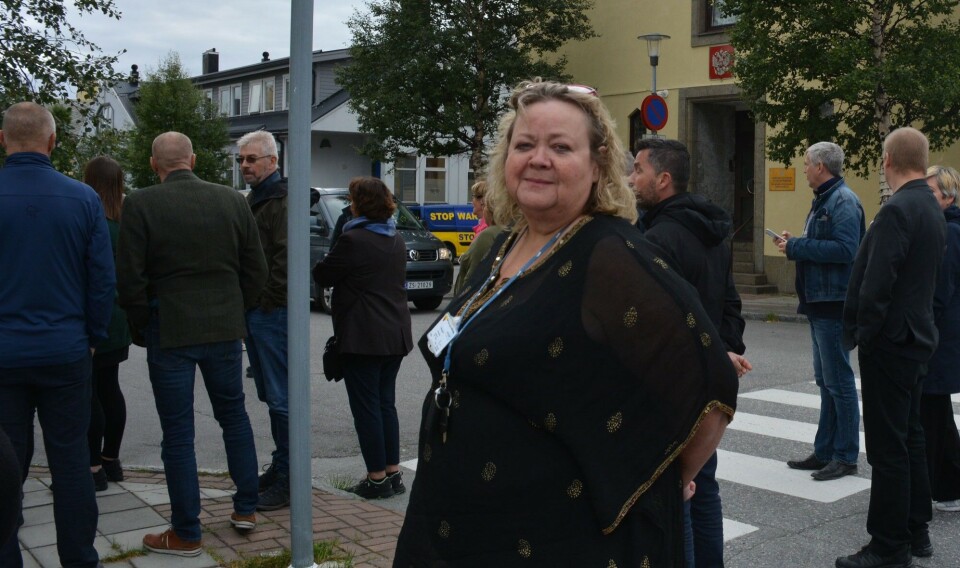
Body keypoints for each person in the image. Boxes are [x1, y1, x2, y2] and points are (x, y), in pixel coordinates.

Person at [393, 79, 739, 565]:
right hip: (458, 519)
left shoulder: (611, 253)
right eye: (525, 145)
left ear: (597, 166)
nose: (539, 159)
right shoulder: (506, 244)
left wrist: (659, 482)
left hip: (550, 537)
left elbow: (710, 382)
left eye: (560, 147)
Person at [117, 132, 268, 556]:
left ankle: (186, 531)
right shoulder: (233, 201)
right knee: (234, 417)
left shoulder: (141, 204)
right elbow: (256, 268)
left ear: (154, 164)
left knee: (178, 432)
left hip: (170, 328)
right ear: (194, 160)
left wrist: (143, 324)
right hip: (224, 327)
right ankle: (246, 507)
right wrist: (236, 309)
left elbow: (129, 277)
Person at [0, 101, 114, 568]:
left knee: (6, 468)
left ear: (3, 140)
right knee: (71, 463)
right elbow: (102, 280)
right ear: (52, 141)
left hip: (4, 356)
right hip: (65, 351)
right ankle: (80, 560)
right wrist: (93, 336)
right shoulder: (83, 199)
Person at [631, 137, 751, 568]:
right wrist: (723, 354)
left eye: (638, 170)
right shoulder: (712, 230)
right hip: (706, 380)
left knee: (675, 492)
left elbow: (660, 322)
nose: (631, 179)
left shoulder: (656, 239)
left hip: (670, 384)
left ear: (663, 179)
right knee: (703, 485)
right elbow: (730, 304)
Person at [838, 127, 945, 568]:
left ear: (887, 161)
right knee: (911, 437)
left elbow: (876, 283)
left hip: (892, 343)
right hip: (917, 338)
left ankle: (888, 545)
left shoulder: (898, 209)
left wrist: (866, 334)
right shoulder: (931, 205)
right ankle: (916, 530)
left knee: (888, 448)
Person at [313, 176, 414, 499]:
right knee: (385, 404)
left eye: (352, 199)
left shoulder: (354, 239)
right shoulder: (395, 237)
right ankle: (393, 474)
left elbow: (323, 274)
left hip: (363, 336)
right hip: (395, 333)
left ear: (359, 203)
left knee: (367, 408)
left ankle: (376, 479)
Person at [777, 142, 865, 482]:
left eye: (806, 163)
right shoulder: (826, 199)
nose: (803, 169)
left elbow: (846, 249)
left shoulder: (842, 201)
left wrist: (797, 246)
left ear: (820, 167)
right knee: (827, 381)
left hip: (833, 303)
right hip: (820, 302)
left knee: (838, 382)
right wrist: (794, 242)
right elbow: (827, 243)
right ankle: (826, 451)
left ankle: (845, 456)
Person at [236, 130, 291, 511]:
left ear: (273, 161)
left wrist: (267, 301)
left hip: (272, 313)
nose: (245, 165)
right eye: (241, 159)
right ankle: (282, 465)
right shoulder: (258, 199)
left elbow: (286, 256)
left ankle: (288, 478)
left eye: (251, 159)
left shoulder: (279, 200)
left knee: (281, 397)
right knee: (272, 396)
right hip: (259, 311)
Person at [83, 156, 133, 492]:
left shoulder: (90, 221)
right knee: (110, 389)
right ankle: (111, 459)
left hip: (93, 316)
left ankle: (93, 467)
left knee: (89, 396)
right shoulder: (125, 222)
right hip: (119, 318)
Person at [921, 165, 960, 513]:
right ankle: (946, 485)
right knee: (937, 411)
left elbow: (938, 291)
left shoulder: (949, 232)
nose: (925, 197)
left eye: (930, 191)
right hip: (942, 335)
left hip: (939, 337)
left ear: (948, 197)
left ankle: (941, 488)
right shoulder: (946, 228)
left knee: (933, 413)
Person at [453, 181, 506, 296]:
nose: (472, 201)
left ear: (483, 201)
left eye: (473, 197)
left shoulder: (487, 232)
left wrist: (462, 299)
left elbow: (472, 276)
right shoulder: (488, 229)